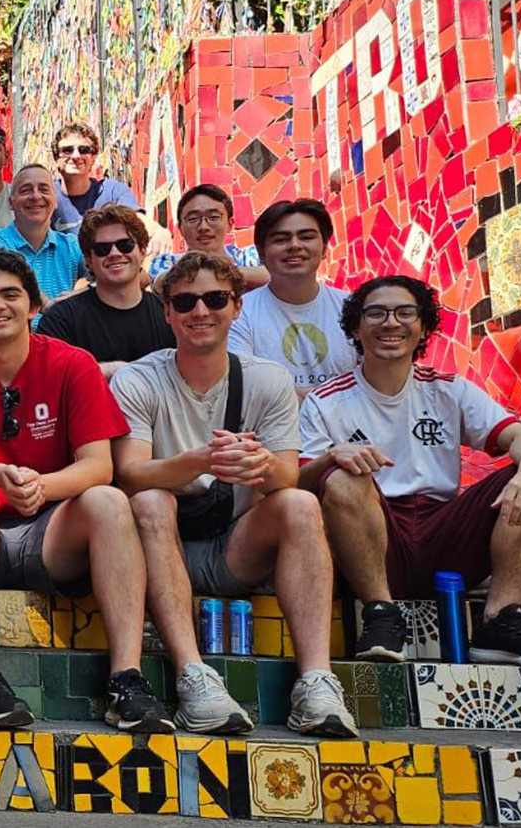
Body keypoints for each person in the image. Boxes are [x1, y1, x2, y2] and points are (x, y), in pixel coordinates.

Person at [0, 247, 168, 732]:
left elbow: (99, 466)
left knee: (109, 501)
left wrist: (42, 487)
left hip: (50, 531)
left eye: (10, 294)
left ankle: (126, 680)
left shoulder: (73, 364)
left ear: (33, 306)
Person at [112, 252, 355, 738]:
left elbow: (287, 473)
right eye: (185, 302)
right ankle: (193, 676)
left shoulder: (268, 378)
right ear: (167, 313)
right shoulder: (138, 378)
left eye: (214, 298)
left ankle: (316, 680)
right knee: (149, 500)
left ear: (237, 307)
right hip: (160, 544)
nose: (200, 311)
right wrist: (202, 461)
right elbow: (129, 475)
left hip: (237, 542)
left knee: (300, 503)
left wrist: (259, 467)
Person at [300, 276, 521, 667]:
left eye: (404, 312)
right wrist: (331, 458)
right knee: (344, 479)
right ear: (355, 328)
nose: (390, 322)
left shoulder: (450, 389)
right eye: (375, 313)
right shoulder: (325, 401)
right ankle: (380, 614)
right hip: (370, 537)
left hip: (444, 533)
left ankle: (500, 619)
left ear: (424, 327)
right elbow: (296, 481)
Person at [228, 198, 356, 396]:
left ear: (324, 248)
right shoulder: (239, 314)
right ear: (261, 252)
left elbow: (373, 381)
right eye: (281, 239)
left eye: (306, 237)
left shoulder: (352, 308)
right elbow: (249, 389)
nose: (295, 245)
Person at [35, 204, 174, 376]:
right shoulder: (61, 320)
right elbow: (48, 380)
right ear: (88, 260)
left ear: (143, 251)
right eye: (103, 249)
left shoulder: (170, 316)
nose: (114, 253)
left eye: (125, 245)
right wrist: (106, 371)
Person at [0, 164, 84, 309]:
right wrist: (47, 305)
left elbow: (104, 276)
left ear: (55, 201)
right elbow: (7, 273)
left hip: (60, 332)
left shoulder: (72, 246)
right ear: (11, 203)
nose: (36, 196)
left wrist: (81, 295)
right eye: (26, 190)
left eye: (44, 189)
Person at [147, 184, 268, 290]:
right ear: (180, 228)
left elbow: (279, 275)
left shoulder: (249, 256)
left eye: (214, 217)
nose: (203, 227)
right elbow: (163, 283)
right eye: (193, 219)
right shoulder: (165, 262)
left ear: (230, 224)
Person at [50, 122, 142, 232]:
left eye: (83, 150)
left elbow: (139, 221)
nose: (76, 156)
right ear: (56, 158)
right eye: (67, 150)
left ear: (93, 158)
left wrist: (158, 232)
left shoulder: (112, 191)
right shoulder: (46, 194)